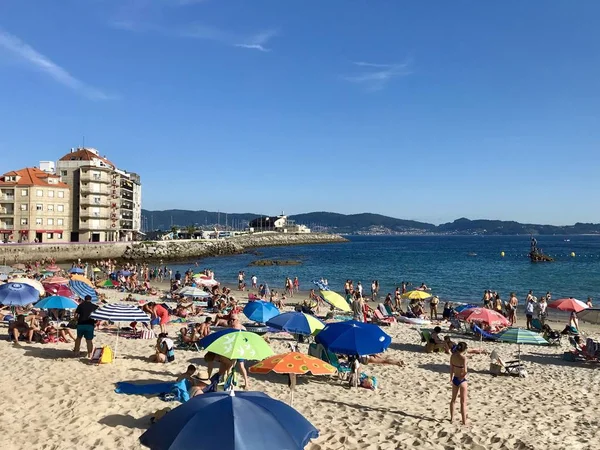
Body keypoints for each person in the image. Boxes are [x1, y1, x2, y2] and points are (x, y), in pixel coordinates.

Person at [449, 342, 469, 425]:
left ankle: (452, 418)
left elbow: (451, 369)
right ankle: (464, 422)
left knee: (453, 400)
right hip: (462, 380)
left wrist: (451, 378)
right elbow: (465, 371)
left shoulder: (452, 356)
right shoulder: (463, 358)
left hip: (455, 379)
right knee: (463, 402)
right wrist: (463, 376)